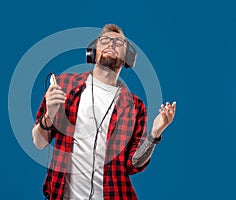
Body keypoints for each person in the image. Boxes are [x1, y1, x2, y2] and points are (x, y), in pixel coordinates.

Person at [32, 24, 176, 200]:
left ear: (128, 57)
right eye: (105, 40)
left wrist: (154, 135)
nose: (111, 44)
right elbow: (39, 142)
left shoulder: (135, 106)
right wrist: (49, 115)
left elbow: (133, 164)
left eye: (118, 42)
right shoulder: (65, 85)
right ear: (93, 52)